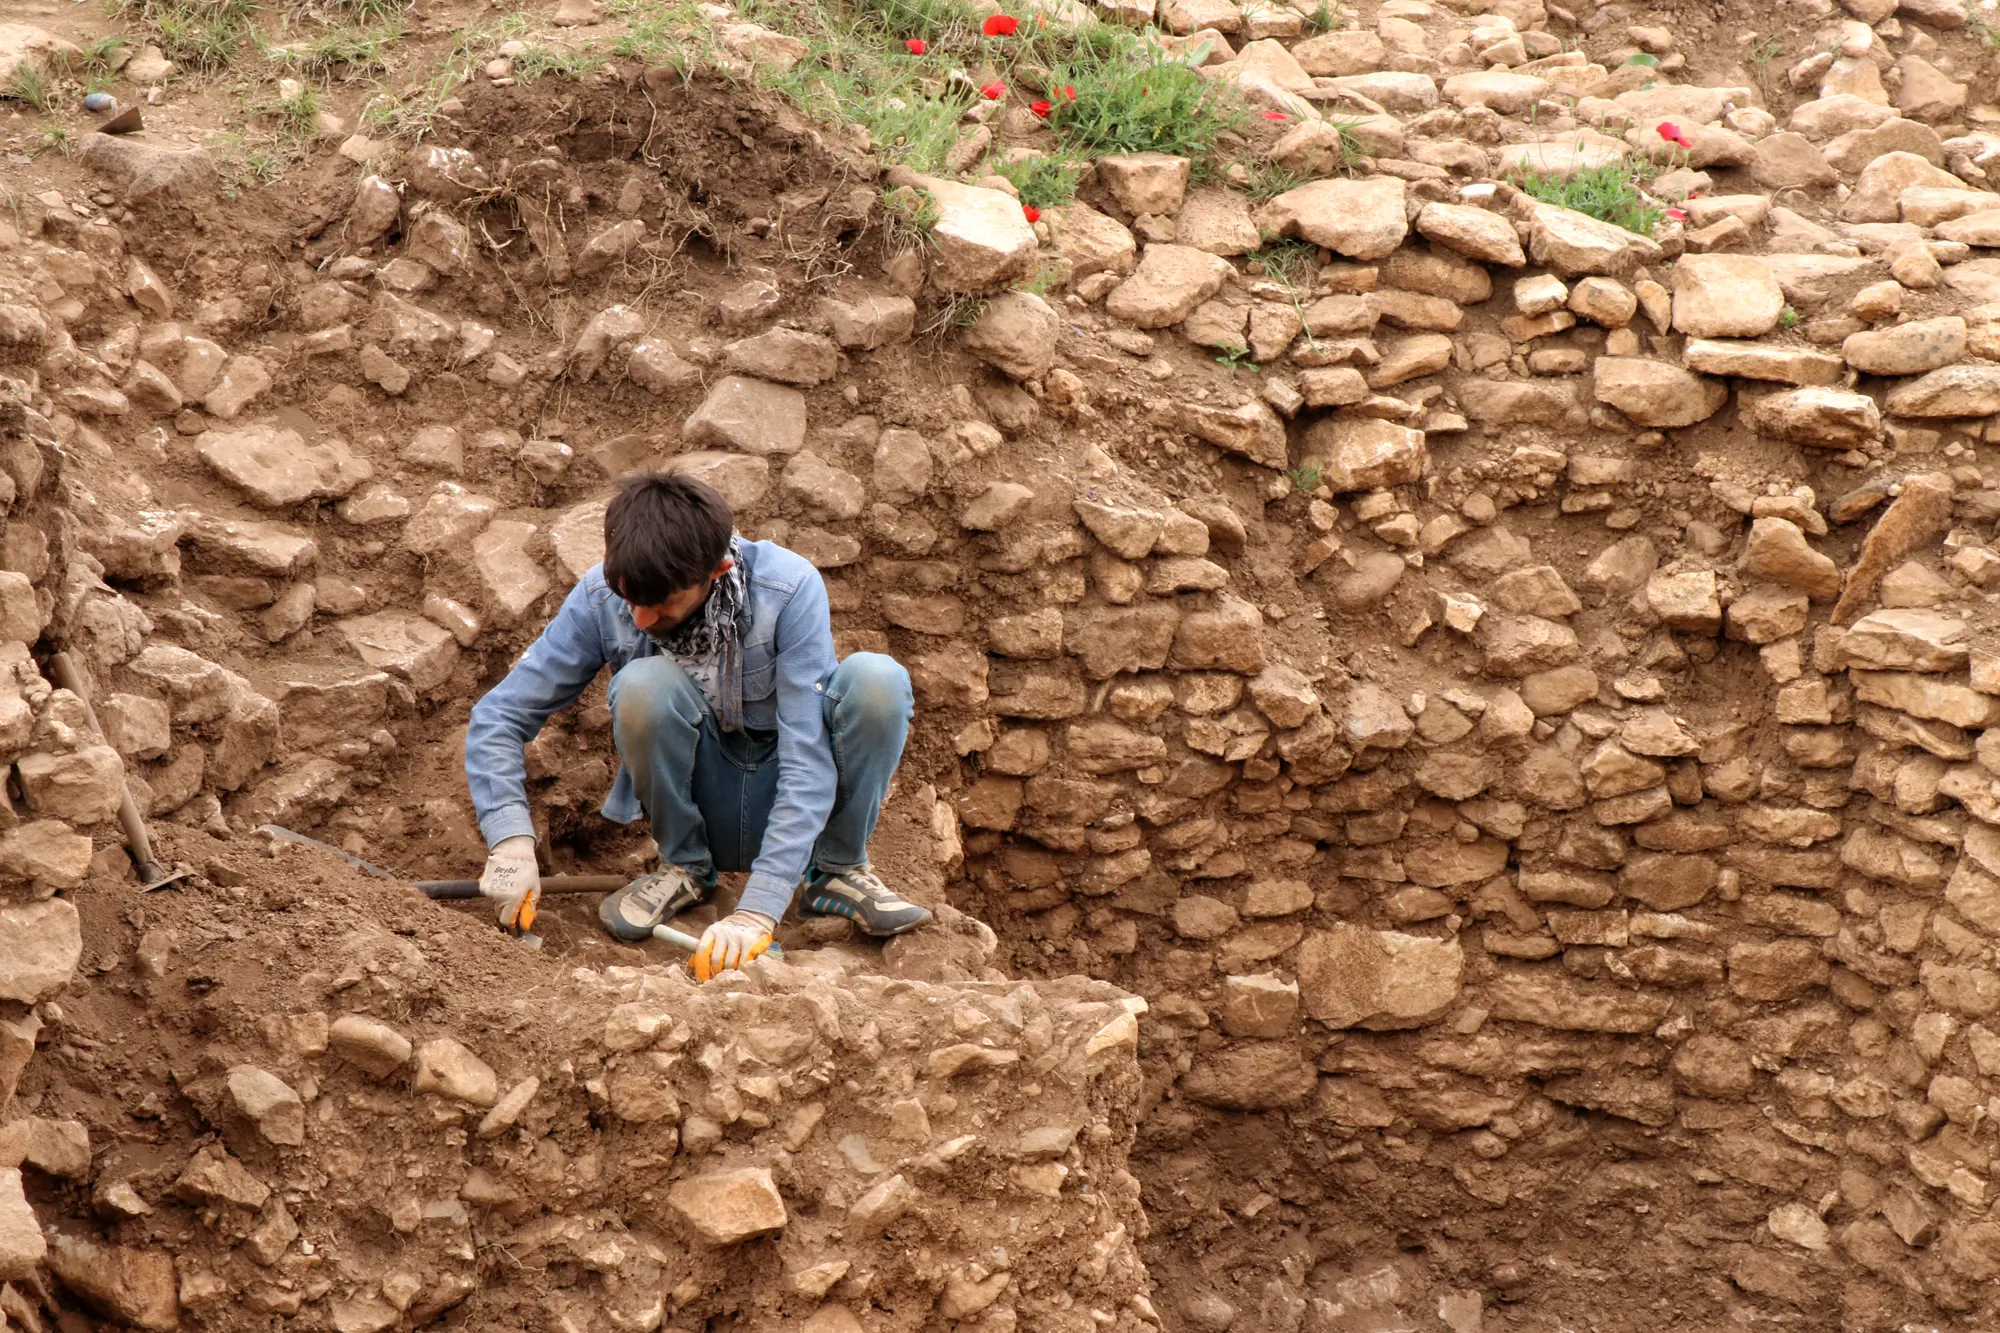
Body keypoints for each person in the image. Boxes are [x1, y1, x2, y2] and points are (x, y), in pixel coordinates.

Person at [464, 470, 931, 978]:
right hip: (703, 802)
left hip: (797, 808)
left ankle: (837, 872)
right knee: (645, 684)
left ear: (718, 569)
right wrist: (510, 838)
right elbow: (499, 715)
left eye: (663, 602)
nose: (640, 618)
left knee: (877, 681)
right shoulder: (600, 596)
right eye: (631, 598)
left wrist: (759, 910)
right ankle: (686, 867)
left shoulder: (788, 587)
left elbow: (808, 758)